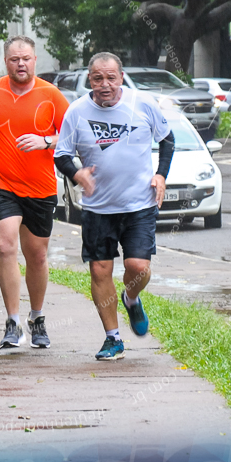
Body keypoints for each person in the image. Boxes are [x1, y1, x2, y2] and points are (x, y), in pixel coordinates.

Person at [53, 52, 174, 361]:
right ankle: (113, 338)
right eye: (97, 78)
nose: (104, 85)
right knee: (100, 269)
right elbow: (62, 154)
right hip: (98, 208)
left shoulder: (142, 104)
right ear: (89, 80)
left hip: (139, 205)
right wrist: (76, 172)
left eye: (110, 78)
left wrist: (160, 175)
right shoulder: (77, 112)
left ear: (121, 77)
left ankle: (131, 297)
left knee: (137, 267)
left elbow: (167, 140)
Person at [0, 36, 70, 349]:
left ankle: (37, 319)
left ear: (35, 60)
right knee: (5, 245)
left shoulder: (51, 95)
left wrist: (46, 142)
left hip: (40, 185)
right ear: (5, 62)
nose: (20, 64)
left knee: (36, 255)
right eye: (14, 59)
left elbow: (73, 135)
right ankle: (13, 322)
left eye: (25, 58)